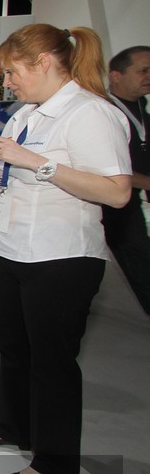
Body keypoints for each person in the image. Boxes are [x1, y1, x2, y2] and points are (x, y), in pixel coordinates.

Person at [0, 25, 131, 474]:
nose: (8, 83)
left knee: (52, 362)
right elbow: (9, 185)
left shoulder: (91, 113)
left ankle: (55, 463)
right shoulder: (24, 115)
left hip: (61, 257)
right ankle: (12, 425)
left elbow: (117, 192)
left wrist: (39, 162)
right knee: (14, 349)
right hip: (13, 249)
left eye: (12, 72)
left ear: (43, 62)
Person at [103, 45, 150, 315]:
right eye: (143, 70)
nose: (148, 76)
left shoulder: (141, 108)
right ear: (116, 76)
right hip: (106, 202)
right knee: (138, 255)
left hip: (129, 199)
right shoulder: (103, 112)